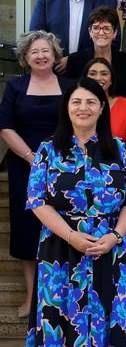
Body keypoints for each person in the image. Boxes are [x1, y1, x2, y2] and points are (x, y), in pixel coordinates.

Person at [26, 77, 126, 346]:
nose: (84, 108)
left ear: (102, 107)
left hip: (110, 248)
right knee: (60, 322)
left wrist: (115, 236)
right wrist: (71, 236)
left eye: (91, 102)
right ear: (66, 107)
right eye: (76, 101)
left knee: (112, 319)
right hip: (60, 249)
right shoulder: (48, 150)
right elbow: (36, 200)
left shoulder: (118, 149)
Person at [0, 31, 70, 319]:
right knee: (28, 232)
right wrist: (32, 158)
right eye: (34, 52)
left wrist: (57, 161)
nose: (41, 56)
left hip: (64, 168)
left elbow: (79, 121)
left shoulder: (69, 86)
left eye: (46, 51)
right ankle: (33, 297)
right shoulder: (15, 87)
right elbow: (5, 127)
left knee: (61, 230)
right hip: (24, 167)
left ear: (54, 55)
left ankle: (61, 297)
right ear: (25, 58)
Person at [83, 58, 126, 296]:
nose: (99, 77)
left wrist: (112, 174)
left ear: (111, 79)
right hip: (82, 189)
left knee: (123, 236)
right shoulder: (79, 107)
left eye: (104, 73)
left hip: (117, 186)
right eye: (93, 72)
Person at [65, 6, 126, 108]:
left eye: (106, 28)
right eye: (96, 28)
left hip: (120, 116)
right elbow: (69, 97)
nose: (101, 33)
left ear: (115, 33)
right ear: (90, 31)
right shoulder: (75, 60)